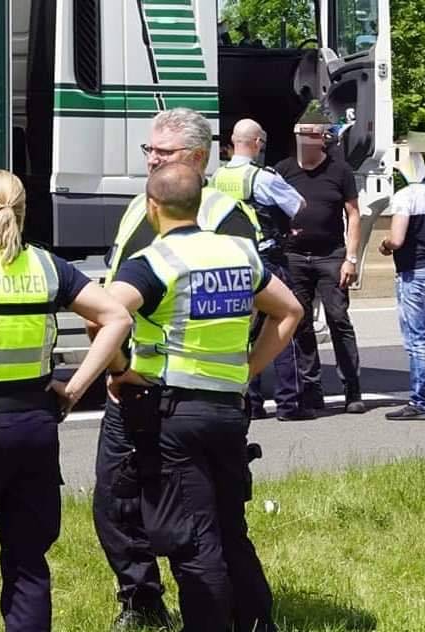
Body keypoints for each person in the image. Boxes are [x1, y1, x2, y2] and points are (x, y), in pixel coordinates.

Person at [0, 169, 132, 632]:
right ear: (24, 212)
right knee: (28, 561)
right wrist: (73, 389)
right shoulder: (49, 266)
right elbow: (116, 318)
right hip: (36, 423)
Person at [105, 162, 303, 632]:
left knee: (193, 540)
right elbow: (290, 311)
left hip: (172, 411)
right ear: (200, 204)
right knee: (230, 526)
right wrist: (248, 368)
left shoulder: (154, 262)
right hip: (228, 411)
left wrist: (121, 371)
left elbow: (103, 316)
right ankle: (257, 622)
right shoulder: (240, 253)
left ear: (152, 208)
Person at [91, 107, 260, 630]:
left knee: (207, 522)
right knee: (114, 498)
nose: (150, 160)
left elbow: (255, 301)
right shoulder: (141, 208)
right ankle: (140, 598)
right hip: (132, 383)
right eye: (148, 151)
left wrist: (244, 369)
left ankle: (234, 612)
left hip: (191, 391)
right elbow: (113, 295)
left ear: (195, 158)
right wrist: (116, 368)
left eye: (160, 153)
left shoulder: (228, 217)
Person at [210, 118, 314, 420]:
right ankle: (289, 404)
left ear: (232, 141)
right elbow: (298, 205)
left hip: (228, 260)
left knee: (243, 332)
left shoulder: (216, 178)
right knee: (284, 324)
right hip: (265, 258)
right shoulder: (262, 177)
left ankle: (251, 403)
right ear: (257, 143)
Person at [275, 106, 367, 414]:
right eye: (302, 135)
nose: (307, 141)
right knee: (299, 322)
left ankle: (352, 388)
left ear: (322, 140)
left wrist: (351, 259)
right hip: (295, 256)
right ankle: (311, 388)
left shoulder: (339, 171)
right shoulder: (284, 170)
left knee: (338, 319)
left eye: (313, 136)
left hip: (332, 255)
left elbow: (353, 214)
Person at [379, 135, 425, 420]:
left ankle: (418, 402)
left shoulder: (404, 197)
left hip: (412, 273)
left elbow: (397, 240)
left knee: (416, 340)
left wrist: (384, 244)